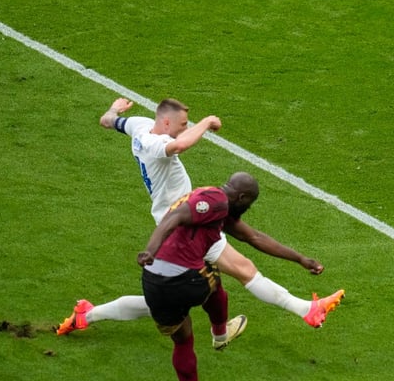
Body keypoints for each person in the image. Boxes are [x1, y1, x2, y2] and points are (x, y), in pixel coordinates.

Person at [57, 97, 344, 341]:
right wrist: (206, 123)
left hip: (179, 217)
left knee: (159, 303)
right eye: (183, 125)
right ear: (166, 124)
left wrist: (114, 109)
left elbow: (107, 122)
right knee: (244, 269)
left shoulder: (139, 126)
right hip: (187, 222)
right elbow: (179, 147)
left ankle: (89, 314)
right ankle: (304, 310)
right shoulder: (157, 145)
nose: (186, 129)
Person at [138, 172, 267, 381]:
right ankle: (220, 334)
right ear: (242, 197)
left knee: (183, 340)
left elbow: (254, 237)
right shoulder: (217, 200)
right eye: (249, 203)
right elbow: (173, 219)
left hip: (151, 282)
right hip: (180, 280)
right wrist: (150, 249)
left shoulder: (212, 203)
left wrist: (300, 259)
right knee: (213, 278)